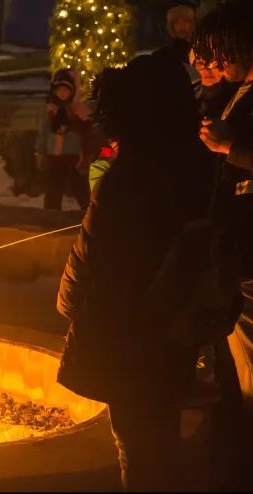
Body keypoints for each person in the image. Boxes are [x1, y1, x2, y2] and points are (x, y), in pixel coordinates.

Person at [57, 53, 218, 491]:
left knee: (137, 443)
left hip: (127, 330)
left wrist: (69, 300)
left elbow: (96, 251)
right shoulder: (200, 162)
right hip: (174, 326)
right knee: (162, 434)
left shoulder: (130, 175)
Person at [195, 2, 253, 488]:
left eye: (217, 52)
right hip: (236, 250)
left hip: (250, 253)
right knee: (233, 364)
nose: (213, 64)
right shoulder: (238, 92)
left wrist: (230, 147)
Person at [35, 68, 92, 211]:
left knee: (80, 187)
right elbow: (43, 131)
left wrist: (86, 154)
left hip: (72, 155)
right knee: (53, 188)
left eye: (66, 90)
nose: (62, 93)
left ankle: (90, 214)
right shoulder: (50, 110)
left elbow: (87, 134)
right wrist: (40, 151)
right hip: (53, 155)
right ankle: (51, 214)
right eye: (59, 90)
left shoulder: (79, 110)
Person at [154, 1, 199, 84]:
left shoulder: (201, 50)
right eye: (176, 22)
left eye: (186, 21)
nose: (181, 25)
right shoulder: (164, 55)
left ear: (193, 23)